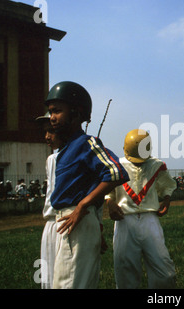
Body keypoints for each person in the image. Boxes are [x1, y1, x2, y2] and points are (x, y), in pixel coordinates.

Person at [45, 81, 129, 289]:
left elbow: (116, 172)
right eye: (50, 112)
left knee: (71, 284)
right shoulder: (65, 151)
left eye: (57, 111)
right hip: (68, 222)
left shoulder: (85, 143)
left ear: (76, 111)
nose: (52, 117)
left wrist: (83, 206)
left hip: (77, 219)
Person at [105, 129, 177, 289]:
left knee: (164, 270)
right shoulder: (117, 166)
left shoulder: (156, 165)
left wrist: (166, 200)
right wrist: (110, 202)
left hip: (150, 219)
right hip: (125, 220)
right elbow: (108, 191)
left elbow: (168, 185)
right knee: (125, 270)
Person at [35, 112, 64, 289]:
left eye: (51, 132)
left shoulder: (76, 158)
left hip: (67, 220)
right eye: (45, 132)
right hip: (51, 223)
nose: (47, 136)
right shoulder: (51, 159)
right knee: (48, 278)